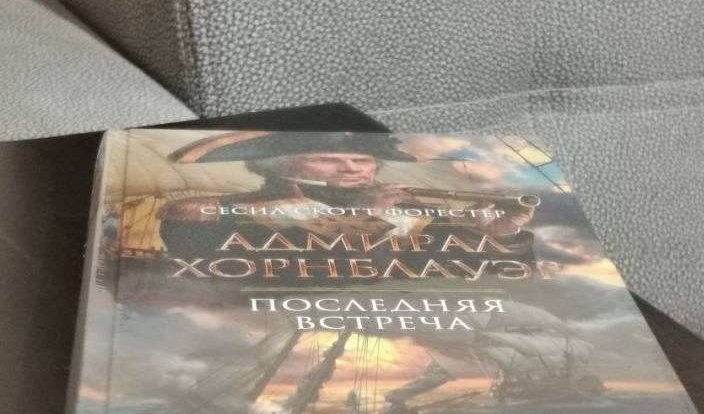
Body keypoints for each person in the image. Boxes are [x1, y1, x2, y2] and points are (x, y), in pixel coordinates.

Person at [159, 130, 536, 283]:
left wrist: (496, 235)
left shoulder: (406, 210)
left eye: (362, 160)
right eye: (326, 159)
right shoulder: (210, 212)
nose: (352, 168)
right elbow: (294, 274)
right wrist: (360, 216)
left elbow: (479, 272)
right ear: (274, 165)